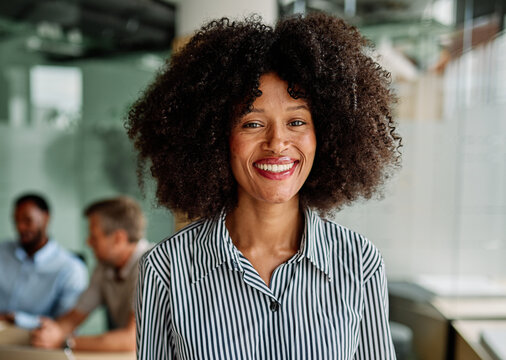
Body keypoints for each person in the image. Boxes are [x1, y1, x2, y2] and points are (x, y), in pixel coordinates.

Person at [128, 13, 402, 359]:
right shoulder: (166, 269)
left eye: (297, 121)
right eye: (253, 123)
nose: (277, 142)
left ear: (327, 134)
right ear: (215, 138)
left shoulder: (359, 263)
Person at [31, 196, 152, 352]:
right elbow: (75, 317)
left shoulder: (149, 267)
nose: (88, 242)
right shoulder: (104, 266)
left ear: (118, 239)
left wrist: (64, 342)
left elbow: (132, 340)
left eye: (94, 236)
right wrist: (51, 332)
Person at [0, 193, 88, 330]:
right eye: (16, 221)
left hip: (36, 343)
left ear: (46, 218)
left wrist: (15, 319)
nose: (21, 227)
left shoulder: (70, 269)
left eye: (28, 220)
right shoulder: (2, 252)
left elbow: (65, 324)